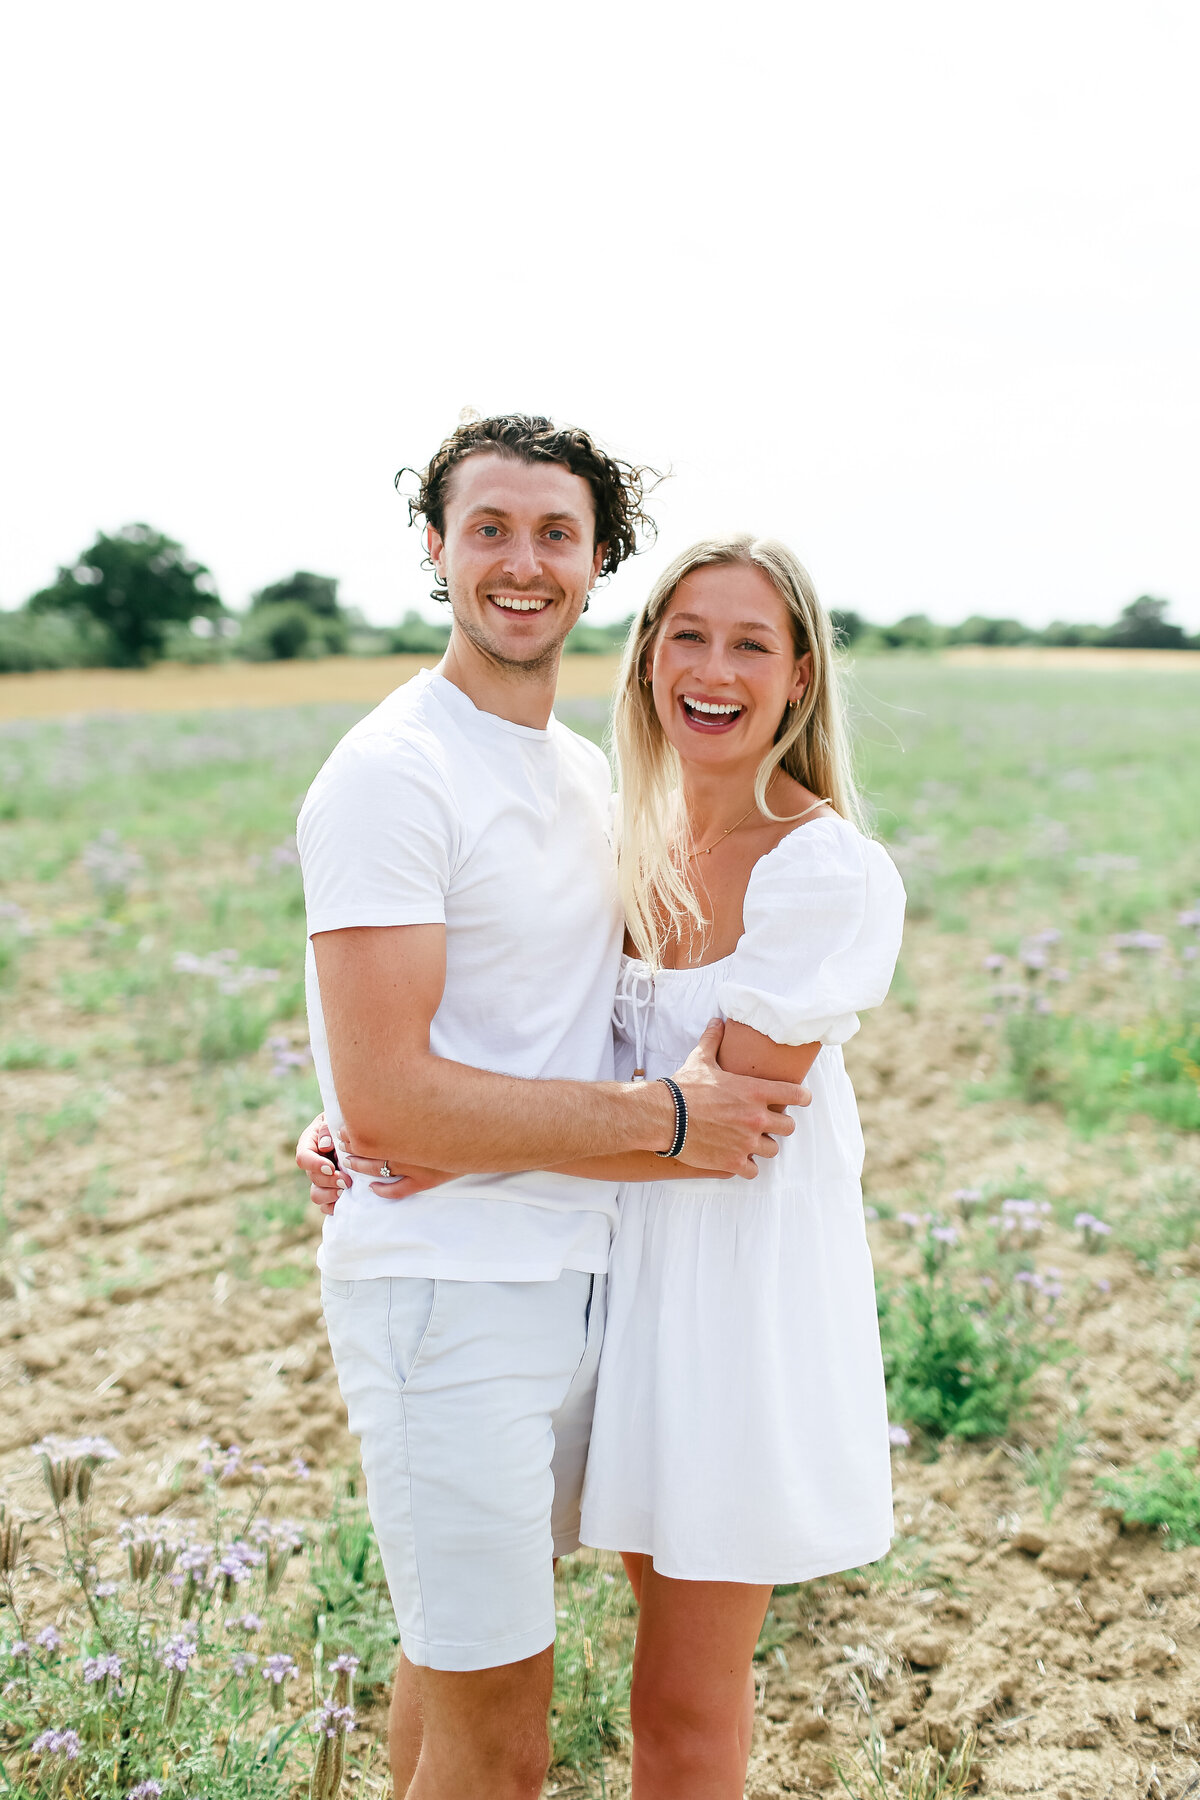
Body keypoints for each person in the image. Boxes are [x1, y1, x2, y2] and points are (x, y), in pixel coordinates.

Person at [302, 528, 906, 1798]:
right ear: (641, 662)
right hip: (590, 1287)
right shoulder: (612, 833)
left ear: (800, 677)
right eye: (685, 634)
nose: (714, 666)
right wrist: (373, 1116)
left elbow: (723, 1138)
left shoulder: (827, 873)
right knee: (450, 1664)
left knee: (682, 1707)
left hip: (728, 1314)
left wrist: (430, 1146)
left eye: (753, 642)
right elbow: (512, 1037)